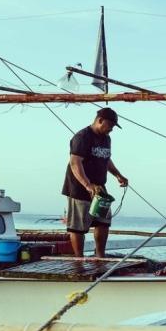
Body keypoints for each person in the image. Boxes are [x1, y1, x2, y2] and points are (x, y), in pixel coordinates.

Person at [61, 107, 128, 258]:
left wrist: (118, 175)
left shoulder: (106, 139)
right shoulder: (82, 137)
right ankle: (79, 258)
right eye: (110, 125)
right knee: (78, 226)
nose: (111, 129)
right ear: (100, 121)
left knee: (103, 222)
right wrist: (87, 185)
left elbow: (106, 158)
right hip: (78, 187)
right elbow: (75, 163)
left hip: (99, 187)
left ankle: (100, 255)